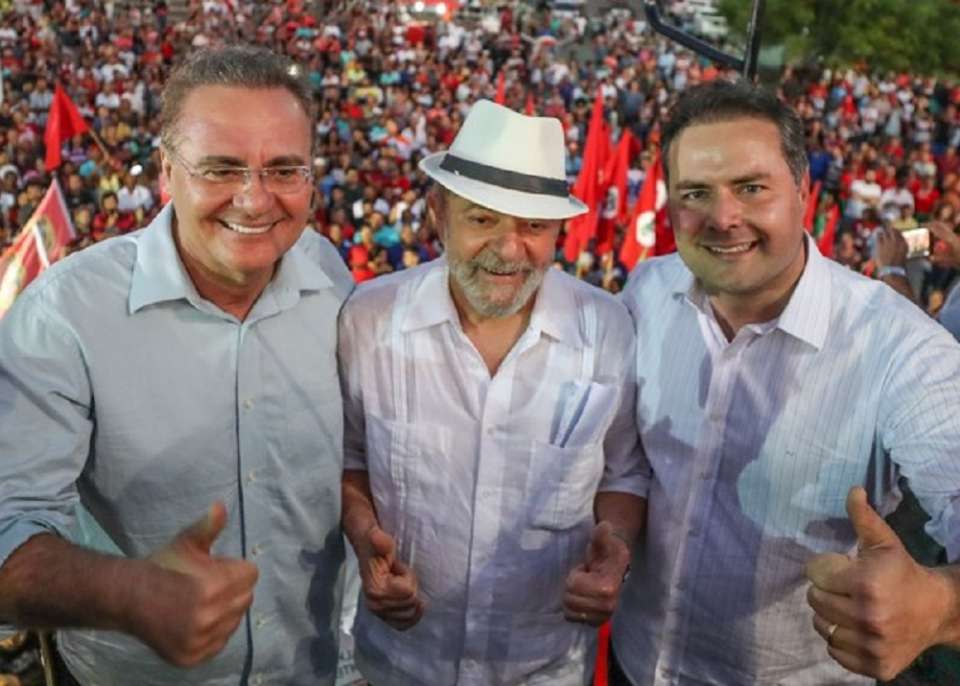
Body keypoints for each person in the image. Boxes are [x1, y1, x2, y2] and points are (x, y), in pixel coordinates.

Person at [0, 46, 353, 685]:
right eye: (221, 169)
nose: (255, 200)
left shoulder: (328, 273)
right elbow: (8, 526)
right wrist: (127, 593)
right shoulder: (65, 316)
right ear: (167, 172)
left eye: (283, 169)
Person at [613, 80, 960, 685]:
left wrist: (940, 607)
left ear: (802, 190)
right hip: (635, 664)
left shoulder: (901, 349)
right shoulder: (646, 290)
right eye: (696, 192)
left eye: (751, 187)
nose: (723, 218)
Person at [339, 99, 648, 685]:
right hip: (401, 666)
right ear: (438, 214)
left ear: (558, 230)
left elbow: (624, 474)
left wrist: (615, 546)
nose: (509, 250)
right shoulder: (368, 320)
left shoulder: (608, 329)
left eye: (533, 226)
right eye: (482, 220)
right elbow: (350, 456)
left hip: (546, 668)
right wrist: (361, 535)